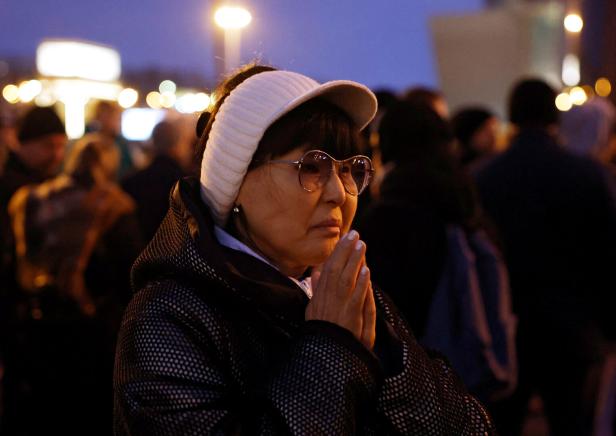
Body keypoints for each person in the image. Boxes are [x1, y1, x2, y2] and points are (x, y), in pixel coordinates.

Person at [113, 65, 495, 434]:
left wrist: (388, 355)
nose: (338, 193)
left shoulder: (343, 289)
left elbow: (469, 425)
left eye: (350, 169)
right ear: (236, 182)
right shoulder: (169, 315)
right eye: (312, 167)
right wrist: (332, 345)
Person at [474, 79, 616, 435]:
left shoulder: (483, 178)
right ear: (554, 114)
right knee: (573, 424)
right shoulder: (589, 175)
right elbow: (608, 253)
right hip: (575, 330)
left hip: (507, 330)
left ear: (512, 114)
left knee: (501, 426)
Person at [1, 133, 143, 435]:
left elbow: (14, 262)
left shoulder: (32, 199)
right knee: (84, 411)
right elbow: (128, 273)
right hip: (91, 326)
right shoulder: (115, 207)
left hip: (35, 323)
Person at [122, 119, 192, 242]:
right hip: (176, 255)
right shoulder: (187, 184)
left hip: (140, 254)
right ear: (177, 144)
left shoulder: (131, 182)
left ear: (153, 143)